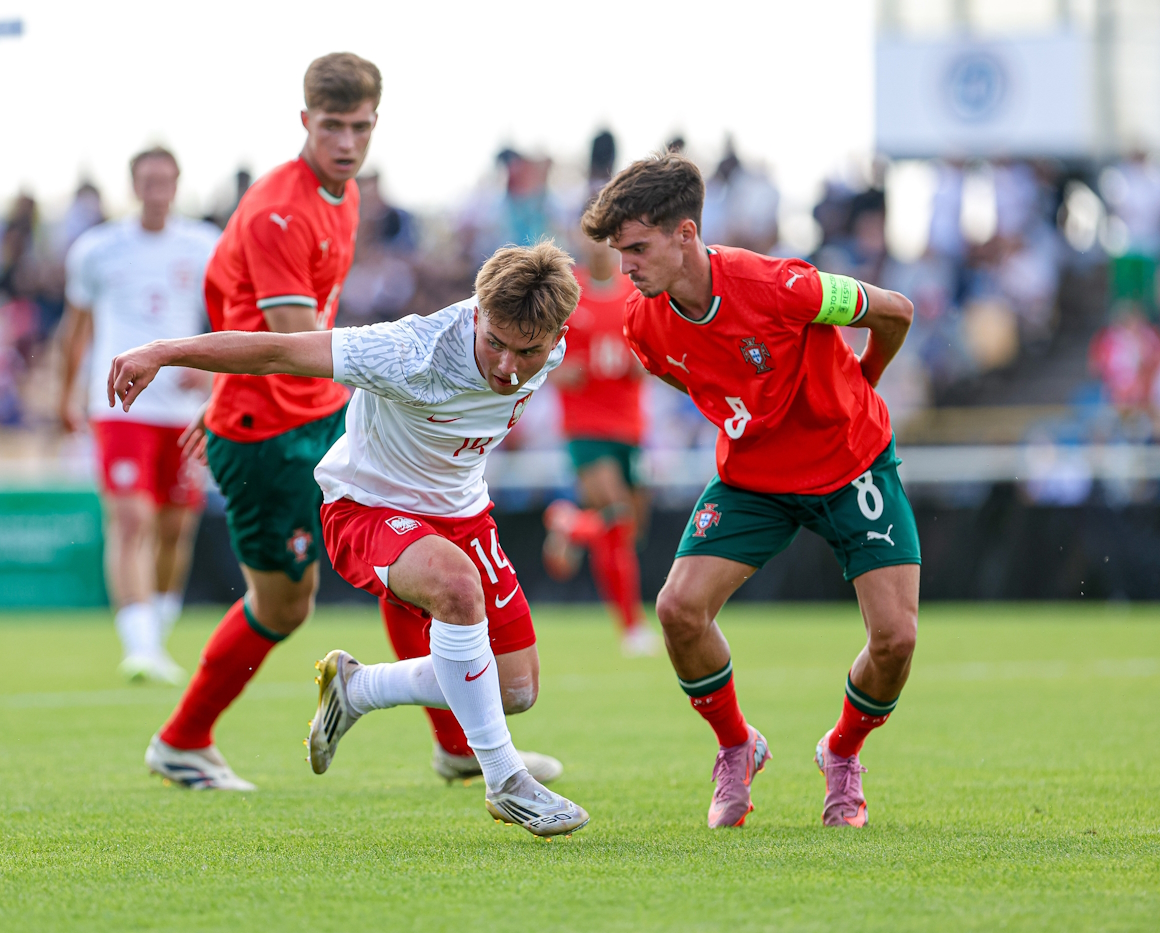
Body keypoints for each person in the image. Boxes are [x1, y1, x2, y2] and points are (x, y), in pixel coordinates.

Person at [108, 242, 589, 838]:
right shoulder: (410, 350)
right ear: (477, 314)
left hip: (465, 514)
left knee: (515, 690)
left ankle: (359, 689)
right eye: (495, 343)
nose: (509, 368)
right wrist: (162, 351)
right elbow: (278, 350)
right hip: (367, 507)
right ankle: (506, 781)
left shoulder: (550, 335)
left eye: (529, 352)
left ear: (558, 335)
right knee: (456, 587)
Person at [581, 153, 918, 829]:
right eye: (619, 253)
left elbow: (896, 312)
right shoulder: (642, 324)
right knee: (678, 610)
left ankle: (841, 752)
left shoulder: (783, 286)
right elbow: (692, 376)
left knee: (895, 640)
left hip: (851, 464)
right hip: (754, 478)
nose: (626, 268)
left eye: (637, 249)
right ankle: (737, 745)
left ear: (685, 234)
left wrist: (863, 381)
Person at [60, 146, 220, 684]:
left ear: (177, 184)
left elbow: (229, 315)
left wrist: (213, 374)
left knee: (176, 527)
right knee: (132, 520)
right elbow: (75, 328)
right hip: (120, 405)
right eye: (148, 180)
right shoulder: (97, 249)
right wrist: (65, 393)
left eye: (165, 180)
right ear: (133, 185)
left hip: (182, 409)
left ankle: (156, 634)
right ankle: (140, 646)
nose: (157, 190)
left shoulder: (204, 244)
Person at [542, 240, 657, 656]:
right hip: (585, 425)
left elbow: (652, 349)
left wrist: (647, 362)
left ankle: (570, 523)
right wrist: (554, 369)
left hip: (630, 425)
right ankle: (632, 627)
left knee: (629, 531)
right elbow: (538, 346)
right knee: (617, 514)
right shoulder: (569, 293)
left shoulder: (636, 292)